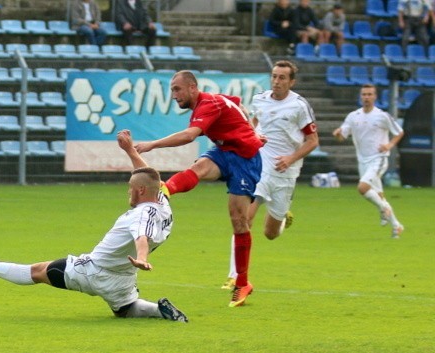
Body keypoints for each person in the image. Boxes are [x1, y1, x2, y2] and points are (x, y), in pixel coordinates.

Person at [0, 129, 188, 322]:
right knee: (125, 310)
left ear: (140, 191)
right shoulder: (162, 202)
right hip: (123, 276)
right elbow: (149, 178)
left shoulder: (141, 215)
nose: (128, 190)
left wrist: (143, 259)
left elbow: (142, 237)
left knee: (40, 271)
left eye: (130, 187)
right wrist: (131, 151)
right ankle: (159, 311)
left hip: (94, 271)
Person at [134, 71, 264, 308]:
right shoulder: (215, 100)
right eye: (172, 89)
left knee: (239, 221)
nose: (173, 95)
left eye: (177, 89)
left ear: (192, 88)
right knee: (200, 167)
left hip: (246, 158)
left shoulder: (207, 105)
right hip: (225, 151)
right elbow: (237, 103)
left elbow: (189, 136)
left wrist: (153, 144)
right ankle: (166, 191)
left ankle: (243, 283)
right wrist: (250, 127)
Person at [222, 60, 319, 290]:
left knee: (270, 233)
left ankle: (283, 217)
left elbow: (313, 141)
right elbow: (254, 123)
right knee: (243, 219)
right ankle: (235, 276)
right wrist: (250, 136)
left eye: (282, 78)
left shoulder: (299, 106)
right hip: (260, 165)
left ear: (291, 81)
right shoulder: (260, 99)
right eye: (274, 76)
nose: (276, 81)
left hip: (286, 172)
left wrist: (290, 159)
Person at [332, 84, 405, 238]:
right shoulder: (353, 116)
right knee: (379, 196)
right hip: (362, 161)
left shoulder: (382, 116)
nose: (366, 97)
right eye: (364, 94)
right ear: (361, 96)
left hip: (378, 159)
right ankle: (396, 226)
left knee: (362, 188)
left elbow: (399, 132)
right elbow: (342, 136)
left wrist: (389, 145)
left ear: (375, 97)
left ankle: (383, 209)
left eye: (369, 94)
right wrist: (337, 134)